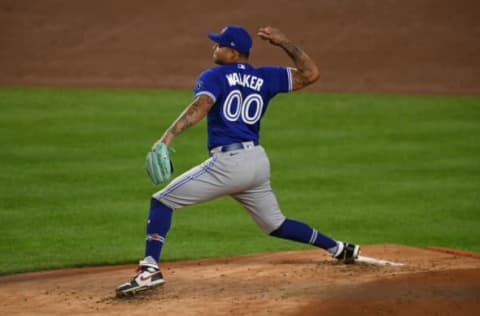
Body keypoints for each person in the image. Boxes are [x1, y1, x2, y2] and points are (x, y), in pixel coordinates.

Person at [116, 25, 360, 297]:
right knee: (275, 224)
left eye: (219, 45)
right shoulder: (265, 76)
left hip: (228, 164)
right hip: (257, 162)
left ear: (232, 53)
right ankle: (339, 248)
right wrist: (284, 43)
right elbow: (311, 74)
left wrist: (167, 137)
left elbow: (202, 105)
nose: (214, 48)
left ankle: (149, 270)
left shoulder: (214, 76)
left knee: (162, 201)